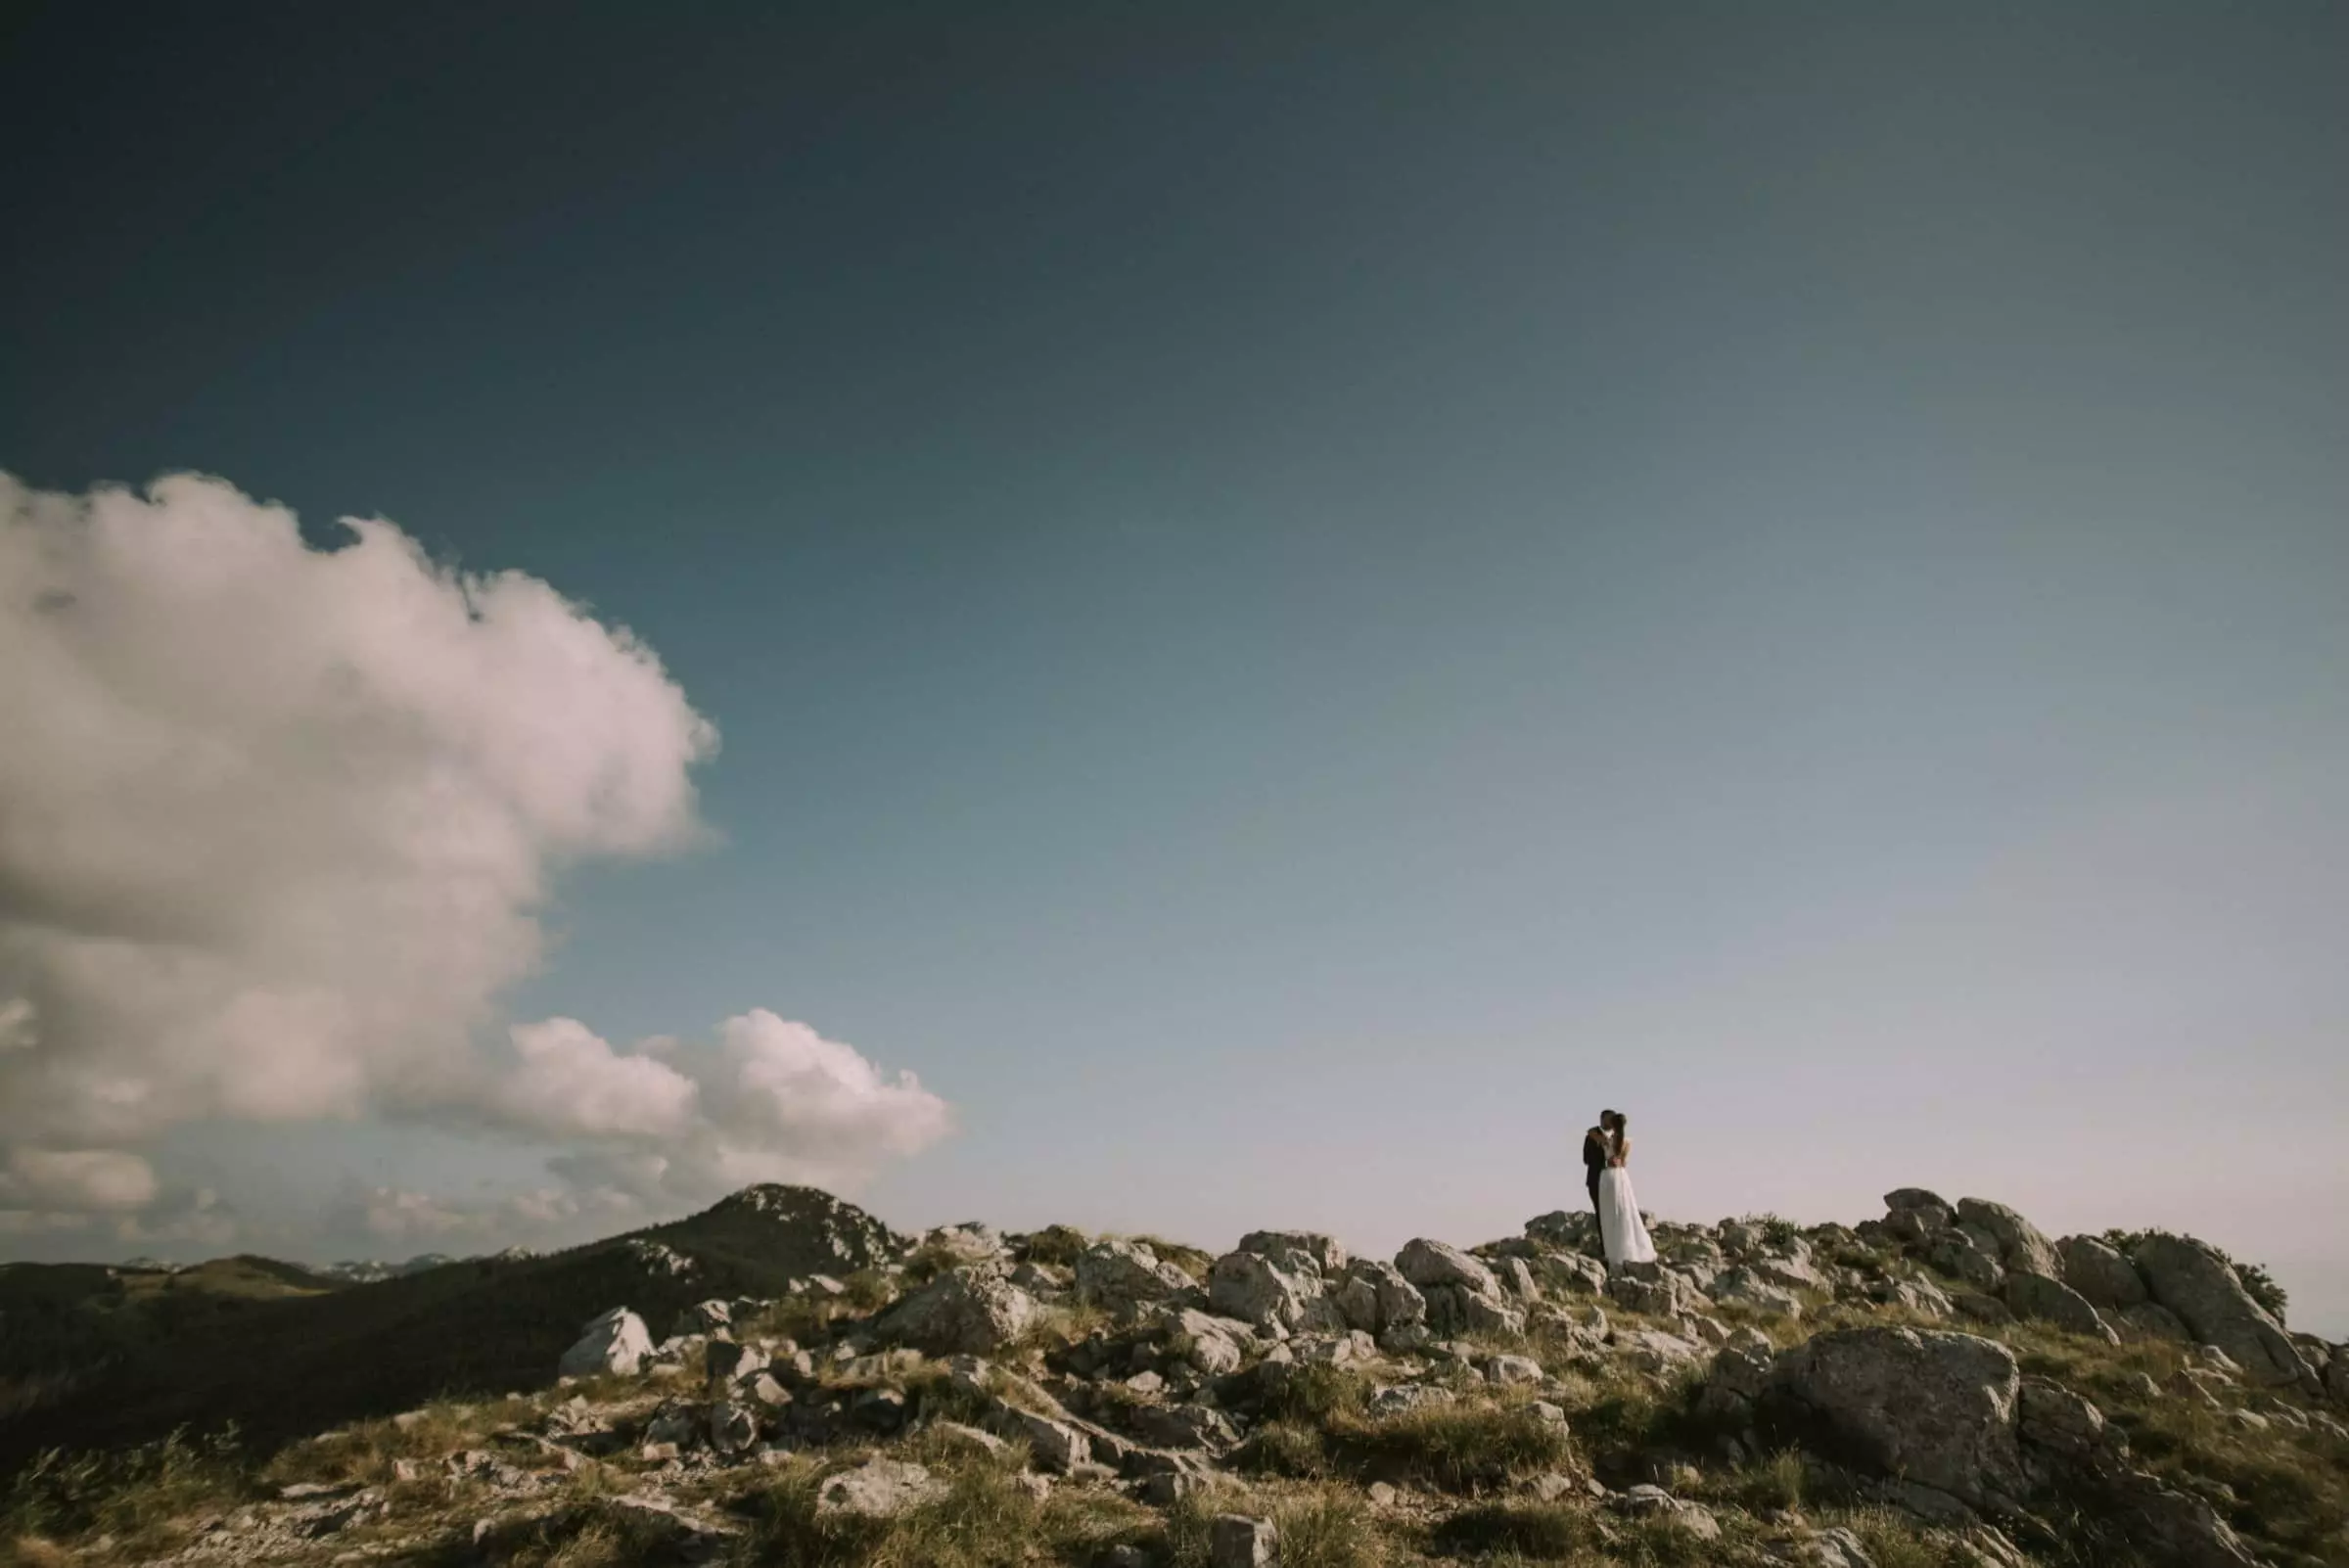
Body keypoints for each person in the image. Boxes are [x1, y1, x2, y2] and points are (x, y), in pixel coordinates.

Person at [1596, 1110, 1657, 1266]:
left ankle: (1613, 1252)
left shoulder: (1606, 1140)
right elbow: (1624, 1162)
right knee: (1625, 1209)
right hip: (1621, 1176)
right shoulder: (1626, 1142)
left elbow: (1592, 1135)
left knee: (1610, 1212)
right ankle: (1627, 1248)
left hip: (1608, 1175)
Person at [1582, 1111, 1615, 1222]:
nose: (1612, 1122)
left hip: (1614, 1179)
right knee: (1600, 1212)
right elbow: (1586, 1159)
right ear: (1602, 1119)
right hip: (1596, 1179)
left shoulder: (1617, 1136)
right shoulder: (1591, 1136)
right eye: (1609, 1119)